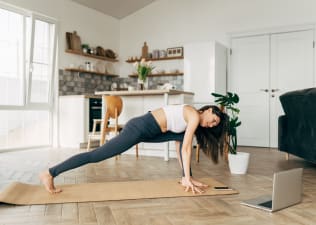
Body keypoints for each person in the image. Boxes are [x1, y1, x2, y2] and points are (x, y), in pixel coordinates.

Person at [40, 104, 229, 194]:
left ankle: (183, 176)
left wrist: (186, 176)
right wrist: (188, 178)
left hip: (151, 132)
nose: (211, 125)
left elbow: (180, 148)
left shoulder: (192, 121)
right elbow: (187, 149)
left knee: (178, 137)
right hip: (139, 128)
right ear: (209, 110)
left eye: (214, 126)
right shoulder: (193, 115)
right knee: (96, 155)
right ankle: (50, 172)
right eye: (213, 121)